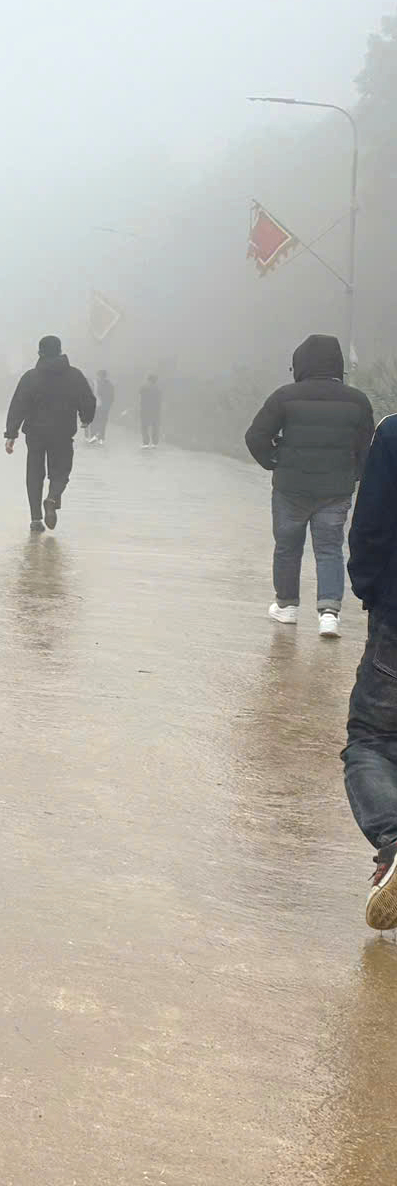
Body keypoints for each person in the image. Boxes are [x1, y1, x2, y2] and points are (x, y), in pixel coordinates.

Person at [245, 334, 373, 638]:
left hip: (291, 487)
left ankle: (287, 606)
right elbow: (368, 447)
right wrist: (354, 475)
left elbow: (255, 437)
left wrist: (274, 460)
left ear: (300, 363)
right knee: (330, 549)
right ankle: (329, 614)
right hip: (336, 491)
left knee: (288, 547)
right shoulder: (357, 401)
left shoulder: (284, 397)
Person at [341, 410, 397, 928]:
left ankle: (394, 838)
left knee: (373, 741)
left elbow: (373, 524)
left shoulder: (395, 431)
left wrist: (370, 591)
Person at [3, 334, 96, 533]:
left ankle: (36, 519)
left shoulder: (31, 377)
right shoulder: (74, 376)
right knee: (61, 471)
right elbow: (88, 399)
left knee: (34, 474)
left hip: (35, 434)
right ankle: (52, 498)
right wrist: (86, 417)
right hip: (62, 433)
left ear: (40, 352)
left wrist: (11, 434)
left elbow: (18, 405)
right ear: (60, 350)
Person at [88, 369, 114, 445]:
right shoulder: (110, 385)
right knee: (103, 422)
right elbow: (112, 397)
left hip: (96, 406)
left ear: (99, 375)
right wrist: (108, 406)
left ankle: (93, 436)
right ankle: (101, 438)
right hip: (105, 407)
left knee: (94, 421)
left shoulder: (95, 384)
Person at [139, 373, 163, 448]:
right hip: (155, 410)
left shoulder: (143, 387)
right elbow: (160, 400)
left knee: (144, 426)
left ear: (148, 379)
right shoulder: (158, 389)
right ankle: (154, 443)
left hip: (145, 409)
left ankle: (145, 443)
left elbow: (140, 398)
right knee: (155, 426)